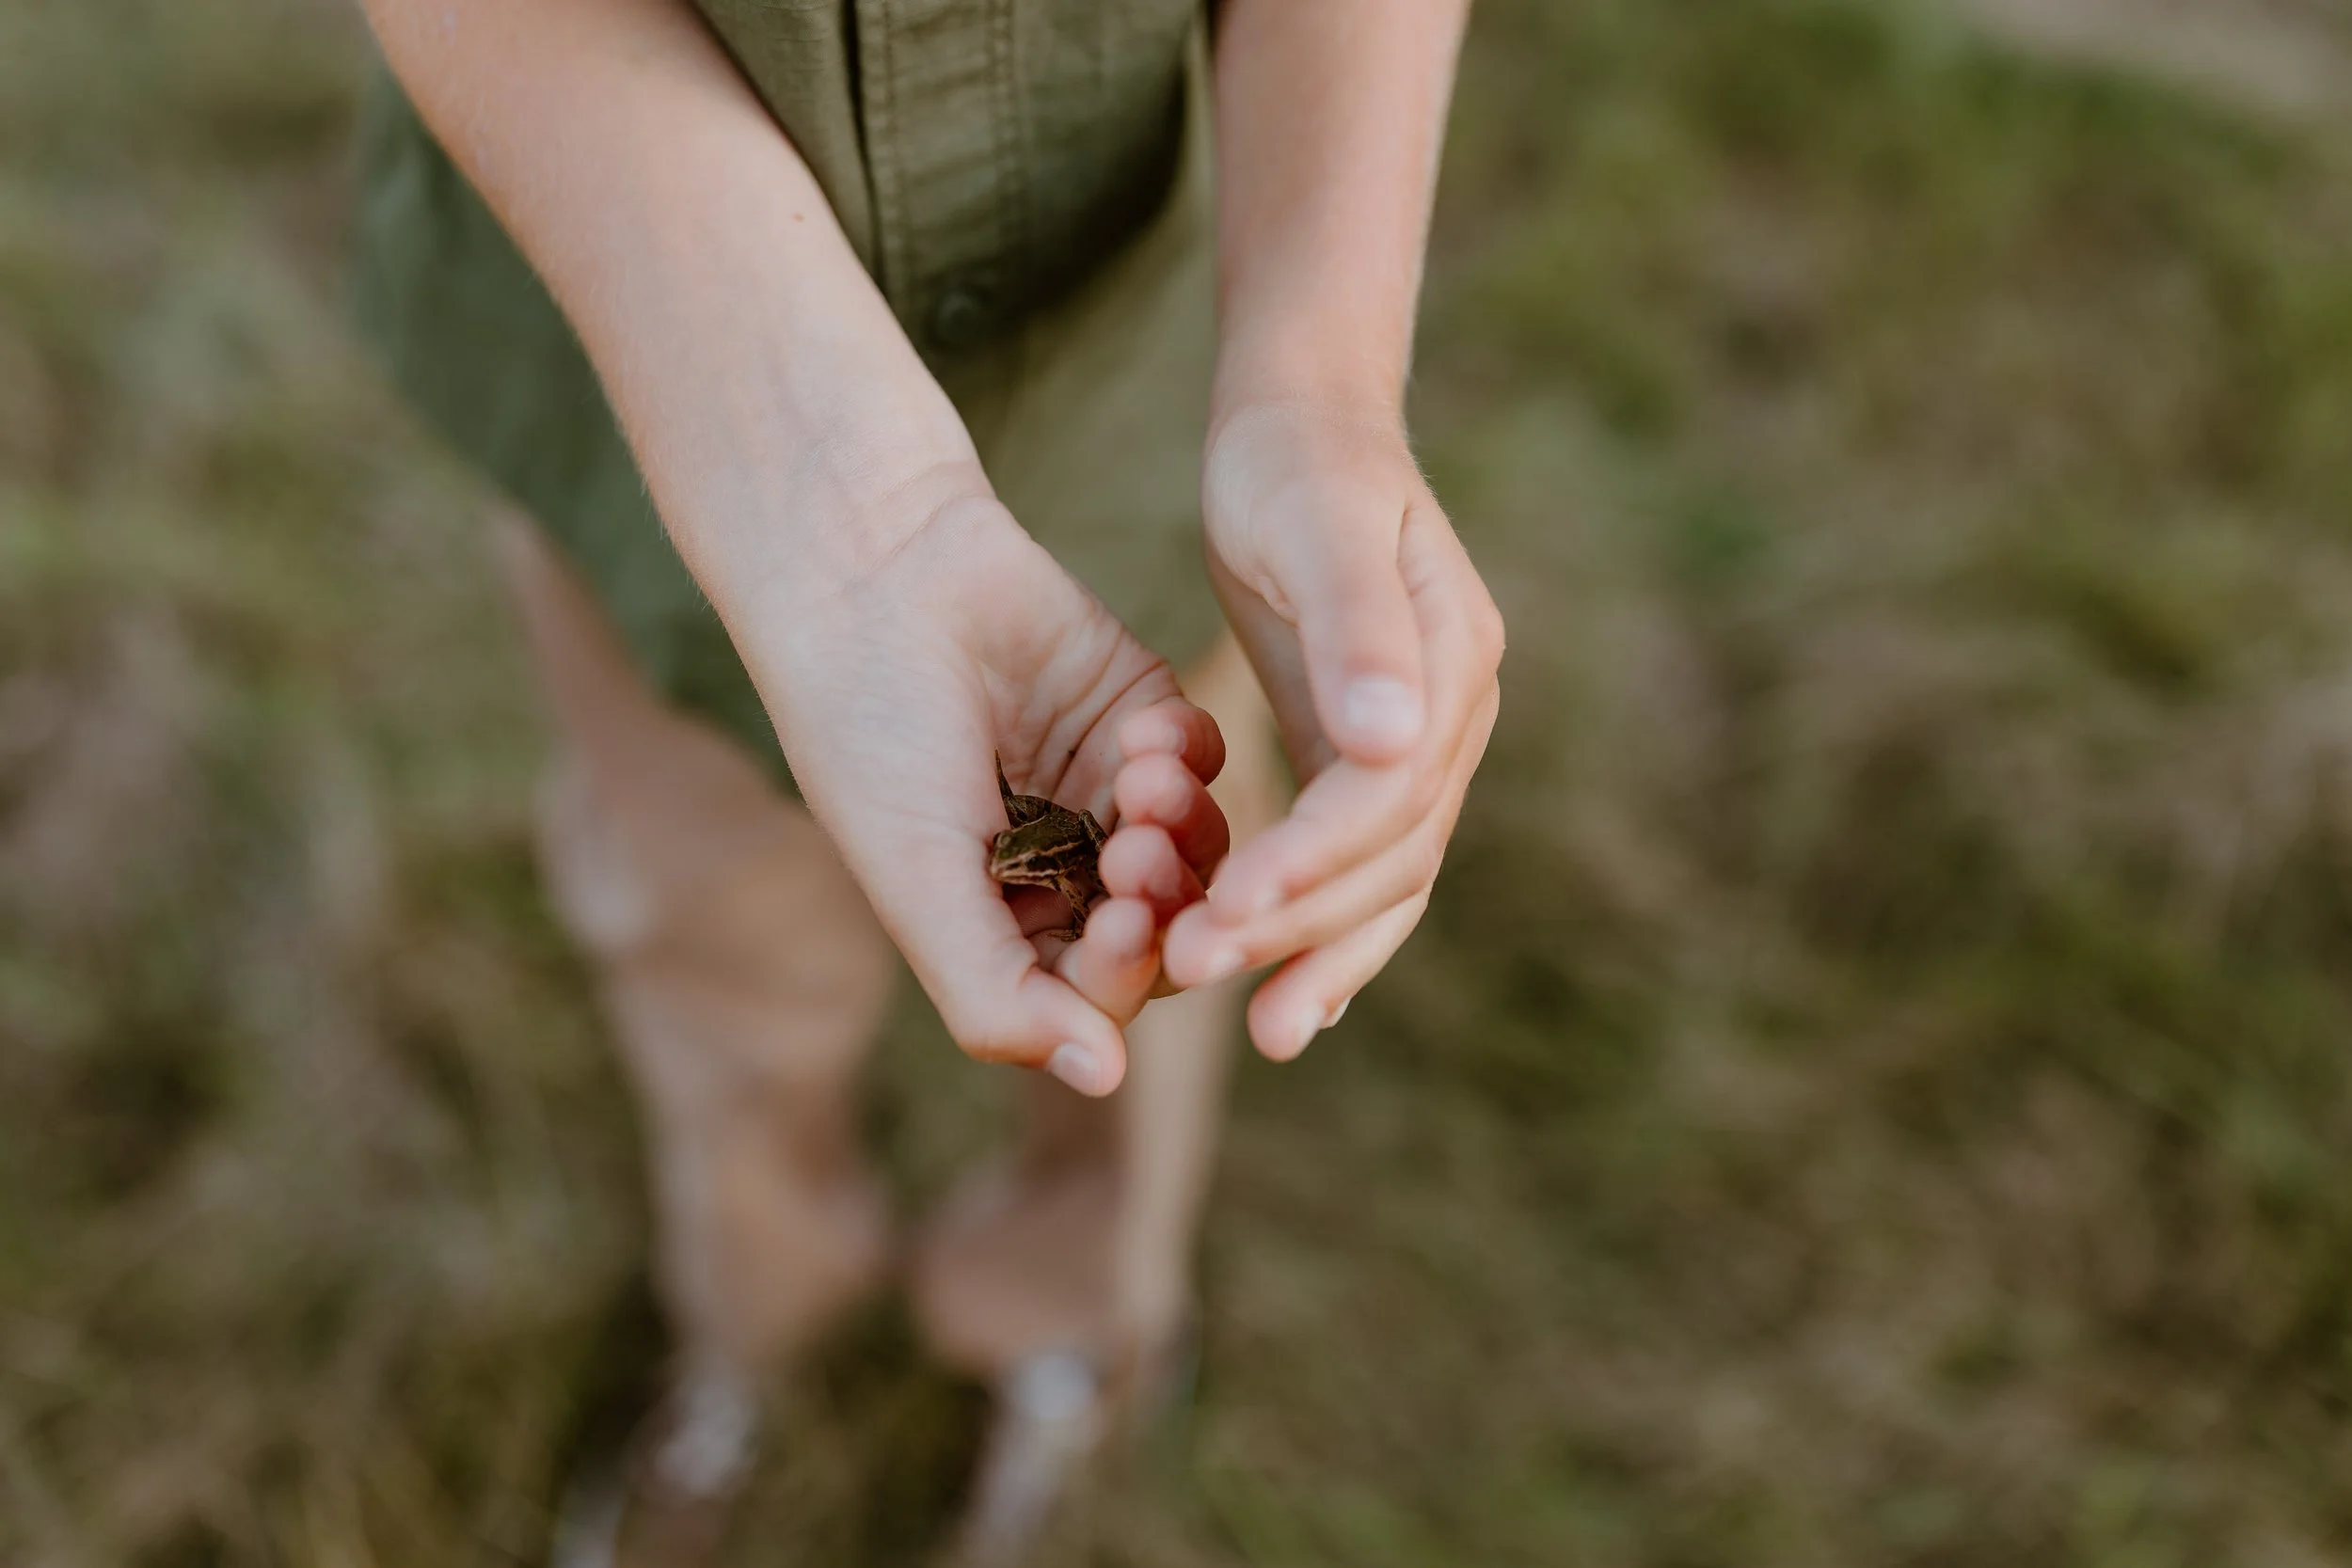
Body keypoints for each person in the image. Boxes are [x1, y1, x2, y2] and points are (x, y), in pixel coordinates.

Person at [352, 0, 1502, 1559]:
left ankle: (1080, 1317)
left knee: (1150, 939)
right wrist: (835, 506)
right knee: (709, 932)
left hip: (1147, 385)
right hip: (629, 373)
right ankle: (765, 1321)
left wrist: (1320, 379)